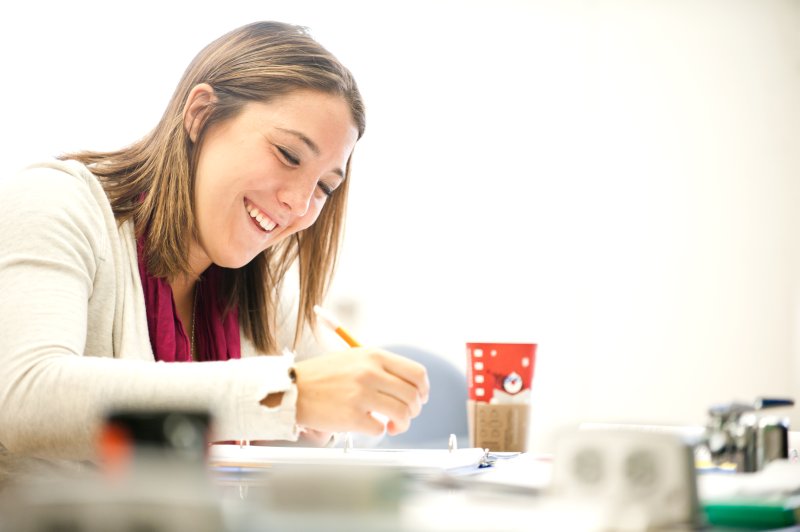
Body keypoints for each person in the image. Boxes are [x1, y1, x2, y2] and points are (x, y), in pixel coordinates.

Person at [0, 21, 429, 483]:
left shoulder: (253, 288)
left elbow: (351, 426)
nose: (300, 206)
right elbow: (25, 399)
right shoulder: (57, 201)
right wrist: (290, 395)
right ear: (201, 114)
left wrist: (339, 411)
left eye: (325, 187)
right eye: (288, 154)